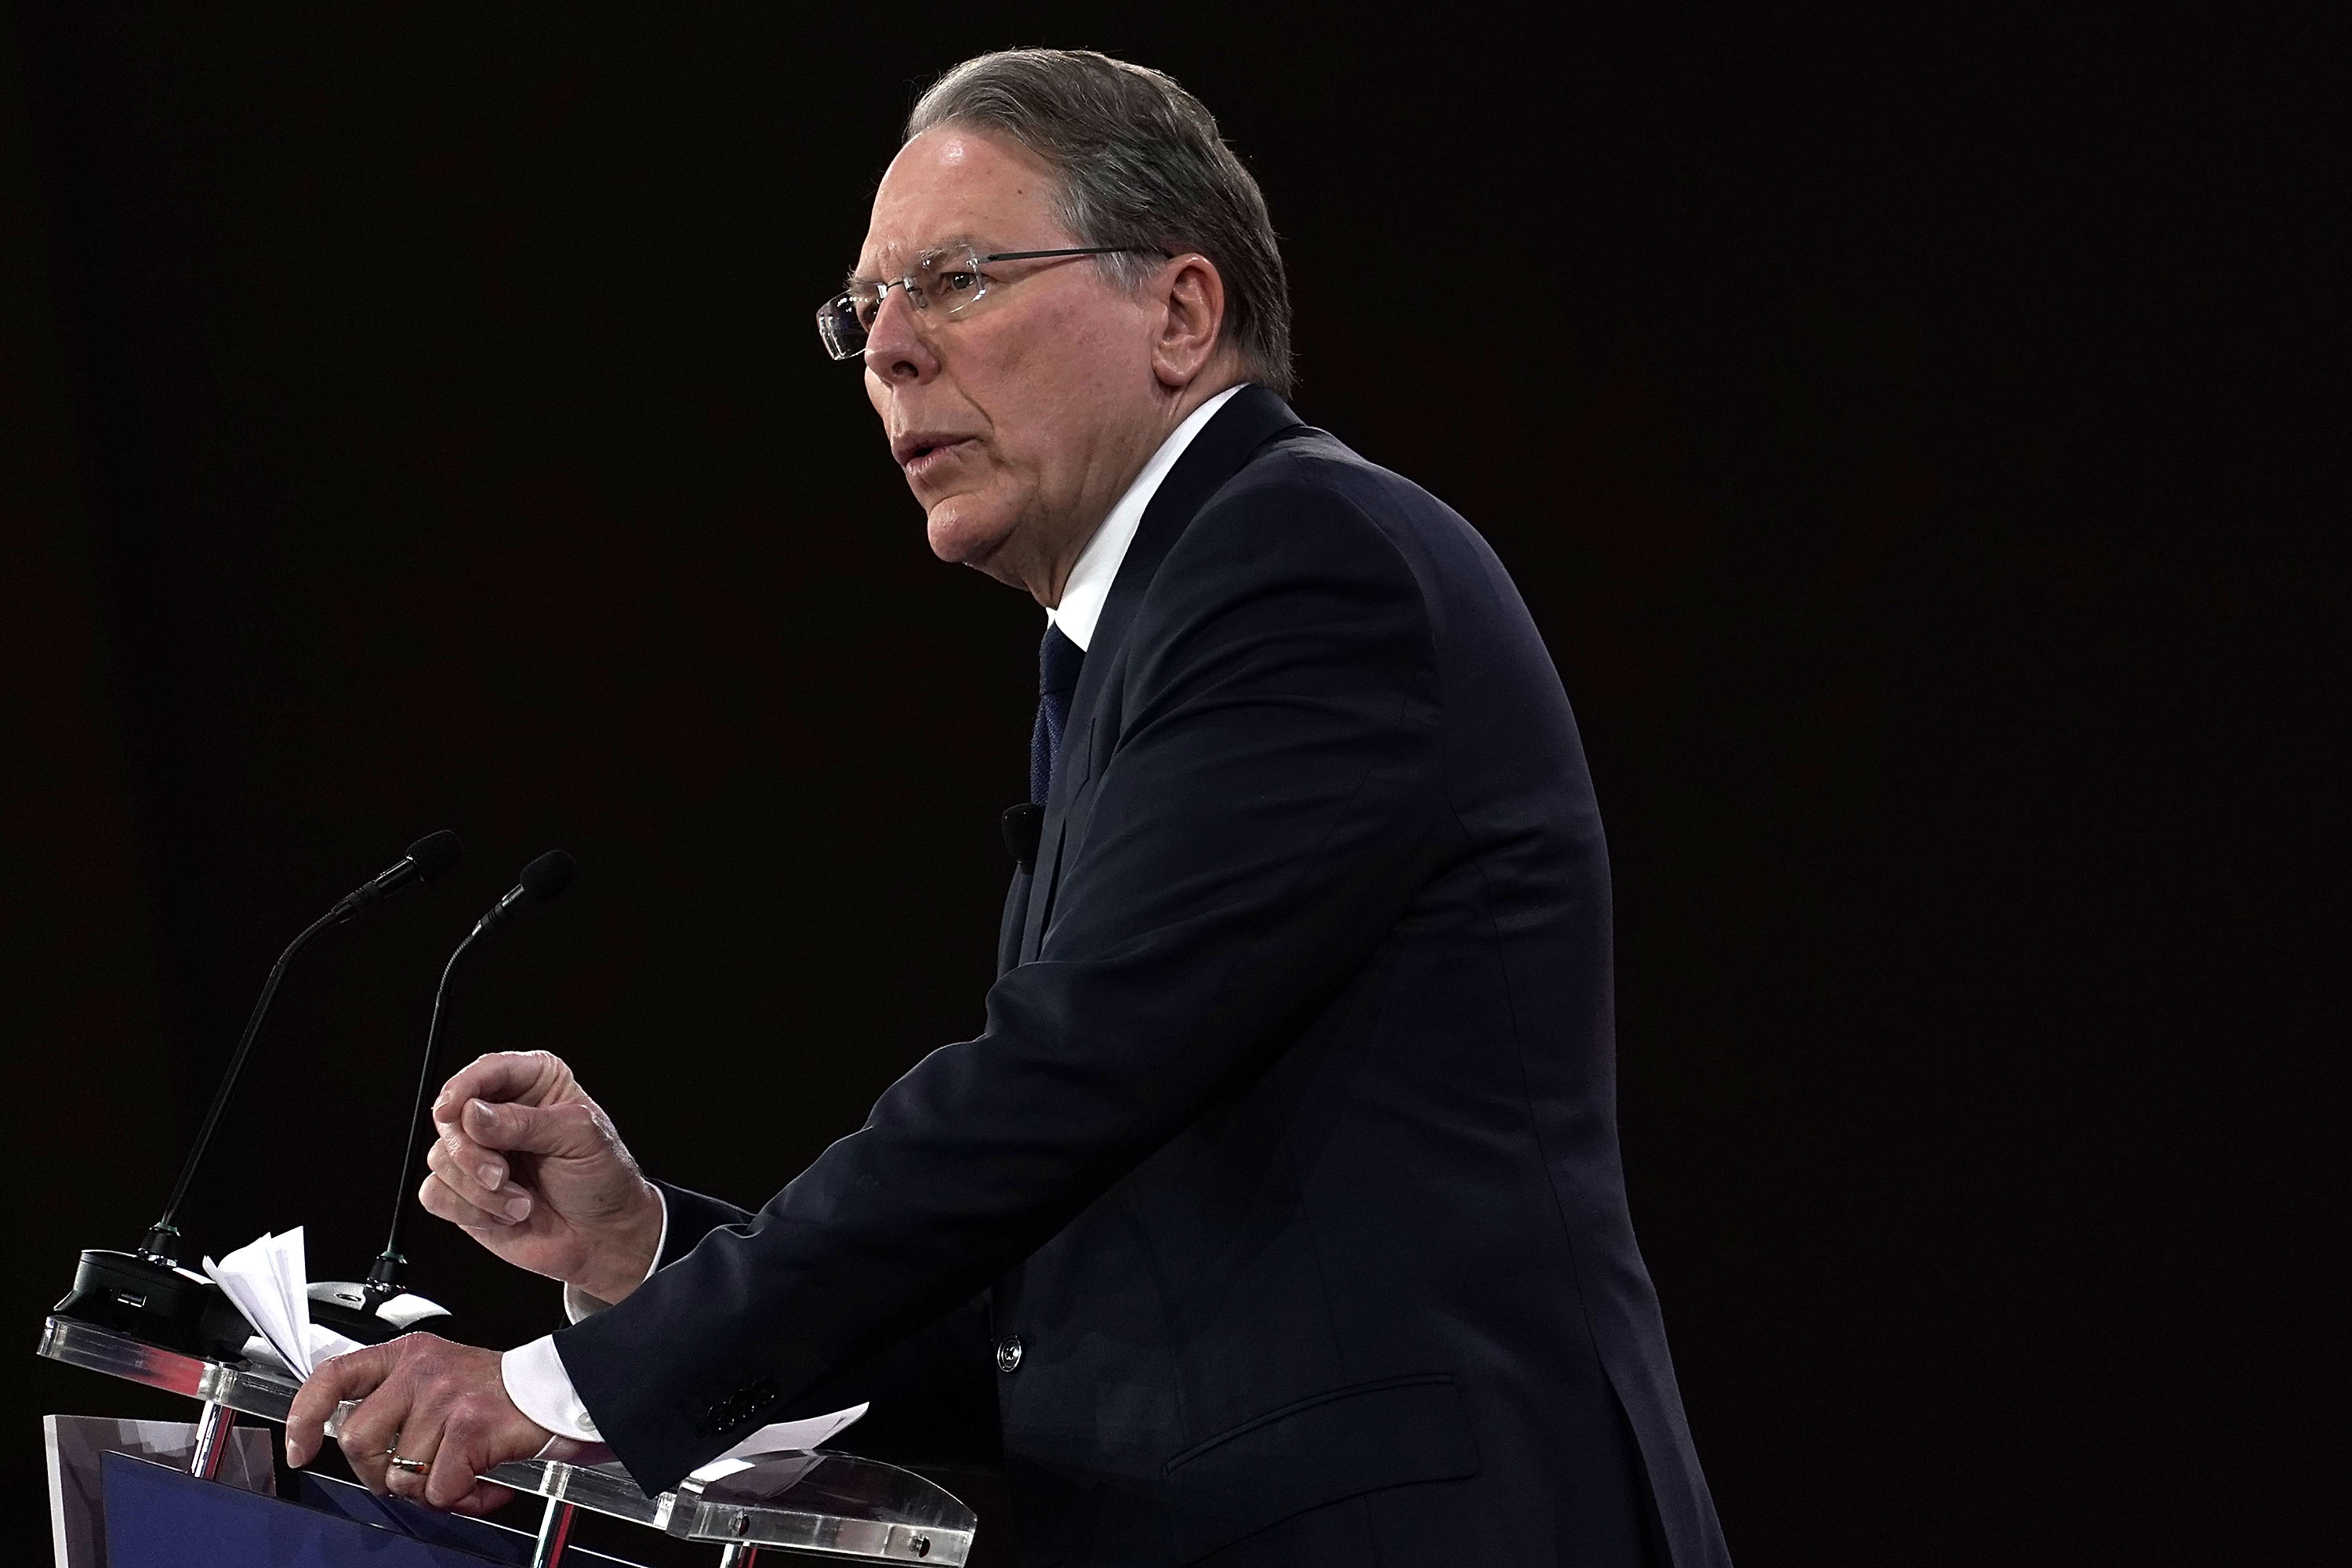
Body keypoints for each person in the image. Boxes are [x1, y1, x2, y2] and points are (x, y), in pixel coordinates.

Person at [289, 49, 1733, 1567]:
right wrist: (644, 1250)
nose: (890, 353)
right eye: (865, 312)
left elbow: (1056, 1082)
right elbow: (1033, 1313)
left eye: (958, 279)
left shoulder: (1306, 565)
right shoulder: (1122, 652)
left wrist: (562, 1387)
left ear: (1182, 312)